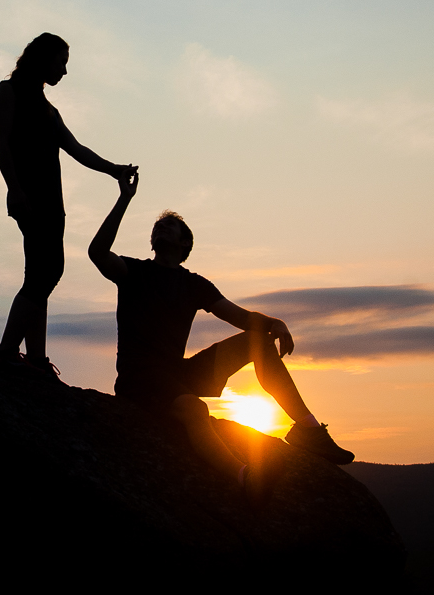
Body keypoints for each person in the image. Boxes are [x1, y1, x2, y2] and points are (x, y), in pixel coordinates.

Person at [88, 169, 353, 501]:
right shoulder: (134, 271)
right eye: (159, 224)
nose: (162, 226)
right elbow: (97, 253)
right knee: (195, 410)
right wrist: (124, 199)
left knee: (258, 341)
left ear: (185, 243)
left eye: (171, 225)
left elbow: (242, 318)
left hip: (177, 374)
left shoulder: (194, 284)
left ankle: (308, 430)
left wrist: (275, 323)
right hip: (140, 379)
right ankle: (245, 477)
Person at [0, 32, 136, 378]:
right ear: (43, 58)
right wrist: (14, 188)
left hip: (53, 204)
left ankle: (36, 358)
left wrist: (114, 169)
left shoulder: (48, 109)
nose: (65, 72)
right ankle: (8, 351)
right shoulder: (8, 91)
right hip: (28, 197)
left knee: (40, 273)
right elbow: (2, 143)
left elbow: (76, 149)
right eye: (62, 62)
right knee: (49, 270)